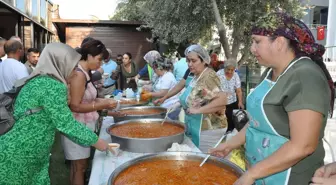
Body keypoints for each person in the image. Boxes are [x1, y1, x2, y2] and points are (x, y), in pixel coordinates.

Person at [210, 12, 334, 185]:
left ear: (280, 42)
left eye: (257, 41)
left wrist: (252, 174)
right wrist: (230, 144)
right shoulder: (270, 72)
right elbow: (256, 124)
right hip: (261, 170)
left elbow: (303, 145)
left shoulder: (305, 76)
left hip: (290, 177)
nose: (252, 48)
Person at [0, 43, 113, 185]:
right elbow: (66, 123)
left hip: (20, 150)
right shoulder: (52, 85)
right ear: (61, 63)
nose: (74, 71)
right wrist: (98, 142)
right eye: (72, 65)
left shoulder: (39, 79)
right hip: (22, 153)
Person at [63, 39, 117, 185]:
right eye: (99, 59)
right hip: (77, 125)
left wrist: (104, 104)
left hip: (85, 125)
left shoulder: (85, 73)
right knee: (78, 167)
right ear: (89, 56)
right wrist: (102, 104)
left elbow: (88, 100)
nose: (100, 64)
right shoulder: (79, 75)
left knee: (80, 166)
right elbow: (75, 106)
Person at [156, 44, 228, 152]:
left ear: (204, 61)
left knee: (204, 161)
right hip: (195, 125)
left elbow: (222, 101)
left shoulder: (209, 77)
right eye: (188, 61)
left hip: (209, 129)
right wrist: (178, 103)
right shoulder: (195, 75)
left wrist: (199, 110)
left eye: (193, 61)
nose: (190, 64)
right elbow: (193, 95)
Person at [216, 58, 244, 132]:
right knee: (223, 121)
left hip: (232, 101)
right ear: (225, 68)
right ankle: (223, 136)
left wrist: (240, 102)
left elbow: (238, 90)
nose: (230, 71)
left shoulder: (235, 76)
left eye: (232, 70)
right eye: (228, 69)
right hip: (221, 102)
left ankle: (230, 136)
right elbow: (214, 87)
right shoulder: (219, 74)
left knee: (232, 121)